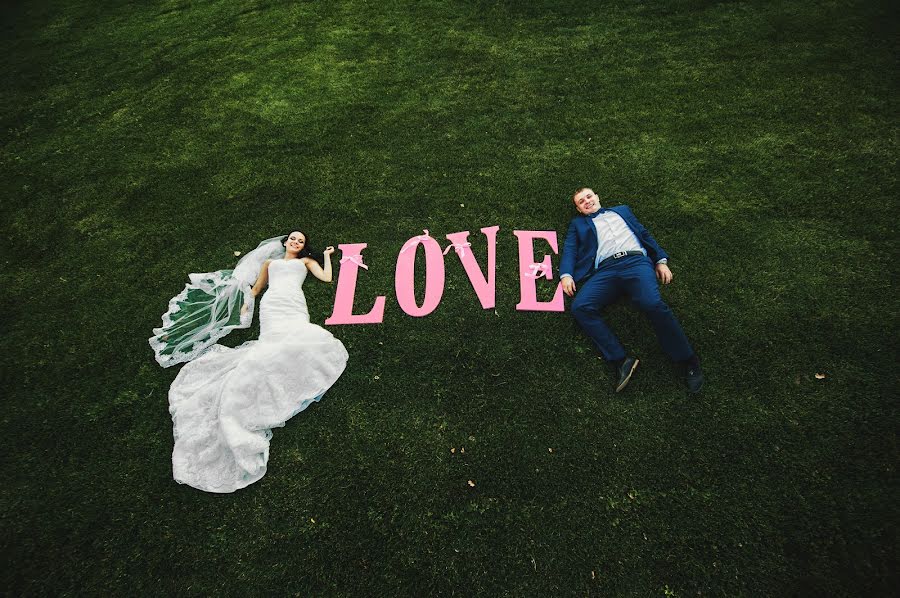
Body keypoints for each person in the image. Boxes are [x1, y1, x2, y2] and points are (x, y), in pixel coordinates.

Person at [149, 231, 348, 492]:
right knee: (271, 346)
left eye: (301, 241)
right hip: (272, 306)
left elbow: (327, 277)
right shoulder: (270, 263)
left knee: (302, 336)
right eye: (293, 239)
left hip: (293, 304)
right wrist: (246, 304)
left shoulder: (305, 263)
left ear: (303, 247)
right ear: (286, 242)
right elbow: (257, 288)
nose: (296, 243)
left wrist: (326, 257)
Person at [560, 187, 703, 393]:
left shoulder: (622, 210)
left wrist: (660, 260)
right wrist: (566, 274)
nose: (587, 201)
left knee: (651, 303)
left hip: (635, 262)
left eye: (589, 196)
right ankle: (621, 360)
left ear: (597, 196)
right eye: (582, 202)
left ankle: (687, 359)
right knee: (580, 306)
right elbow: (570, 248)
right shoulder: (578, 224)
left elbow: (644, 233)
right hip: (605, 270)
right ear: (579, 209)